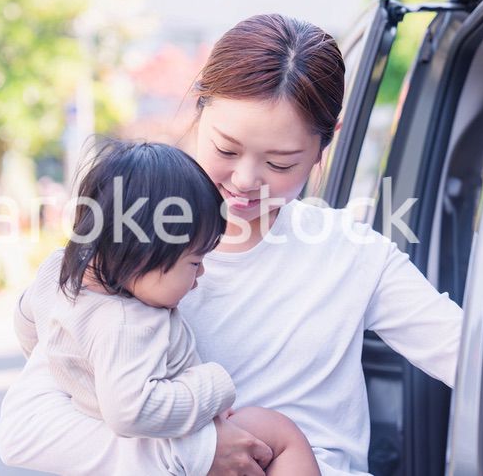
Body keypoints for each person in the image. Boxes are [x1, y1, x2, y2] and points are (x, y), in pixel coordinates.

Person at [0, 14, 464, 476]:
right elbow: (26, 429)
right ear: (200, 107)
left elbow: (477, 359)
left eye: (280, 164)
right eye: (226, 149)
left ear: (326, 145)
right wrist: (199, 454)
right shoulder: (135, 247)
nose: (244, 181)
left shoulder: (355, 255)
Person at [37, 140, 320, 475]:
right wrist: (214, 385)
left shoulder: (57, 275)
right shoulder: (130, 322)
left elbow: (29, 323)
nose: (201, 273)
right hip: (173, 442)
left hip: (125, 442)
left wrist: (68, 365)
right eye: (195, 261)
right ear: (145, 254)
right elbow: (131, 410)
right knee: (279, 433)